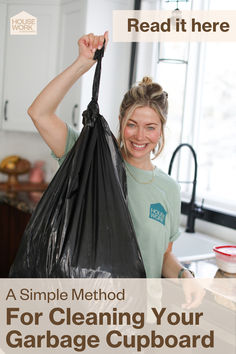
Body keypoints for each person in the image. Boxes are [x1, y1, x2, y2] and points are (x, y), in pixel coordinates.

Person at [28, 32, 203, 308]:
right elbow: (39, 113)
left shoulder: (168, 189)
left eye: (151, 127)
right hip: (90, 315)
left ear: (161, 130)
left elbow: (163, 257)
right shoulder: (91, 161)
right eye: (132, 123)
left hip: (141, 318)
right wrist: (82, 64)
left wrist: (185, 275)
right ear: (120, 120)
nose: (139, 136)